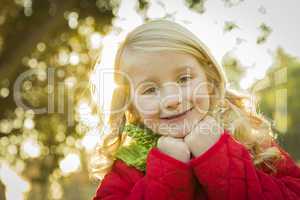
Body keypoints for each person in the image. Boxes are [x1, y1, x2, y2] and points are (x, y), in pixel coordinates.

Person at [91, 20, 300, 200]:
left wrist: (218, 156)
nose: (172, 100)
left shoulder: (249, 139)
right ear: (132, 106)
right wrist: (167, 169)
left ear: (208, 80)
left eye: (184, 79)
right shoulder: (126, 169)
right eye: (150, 90)